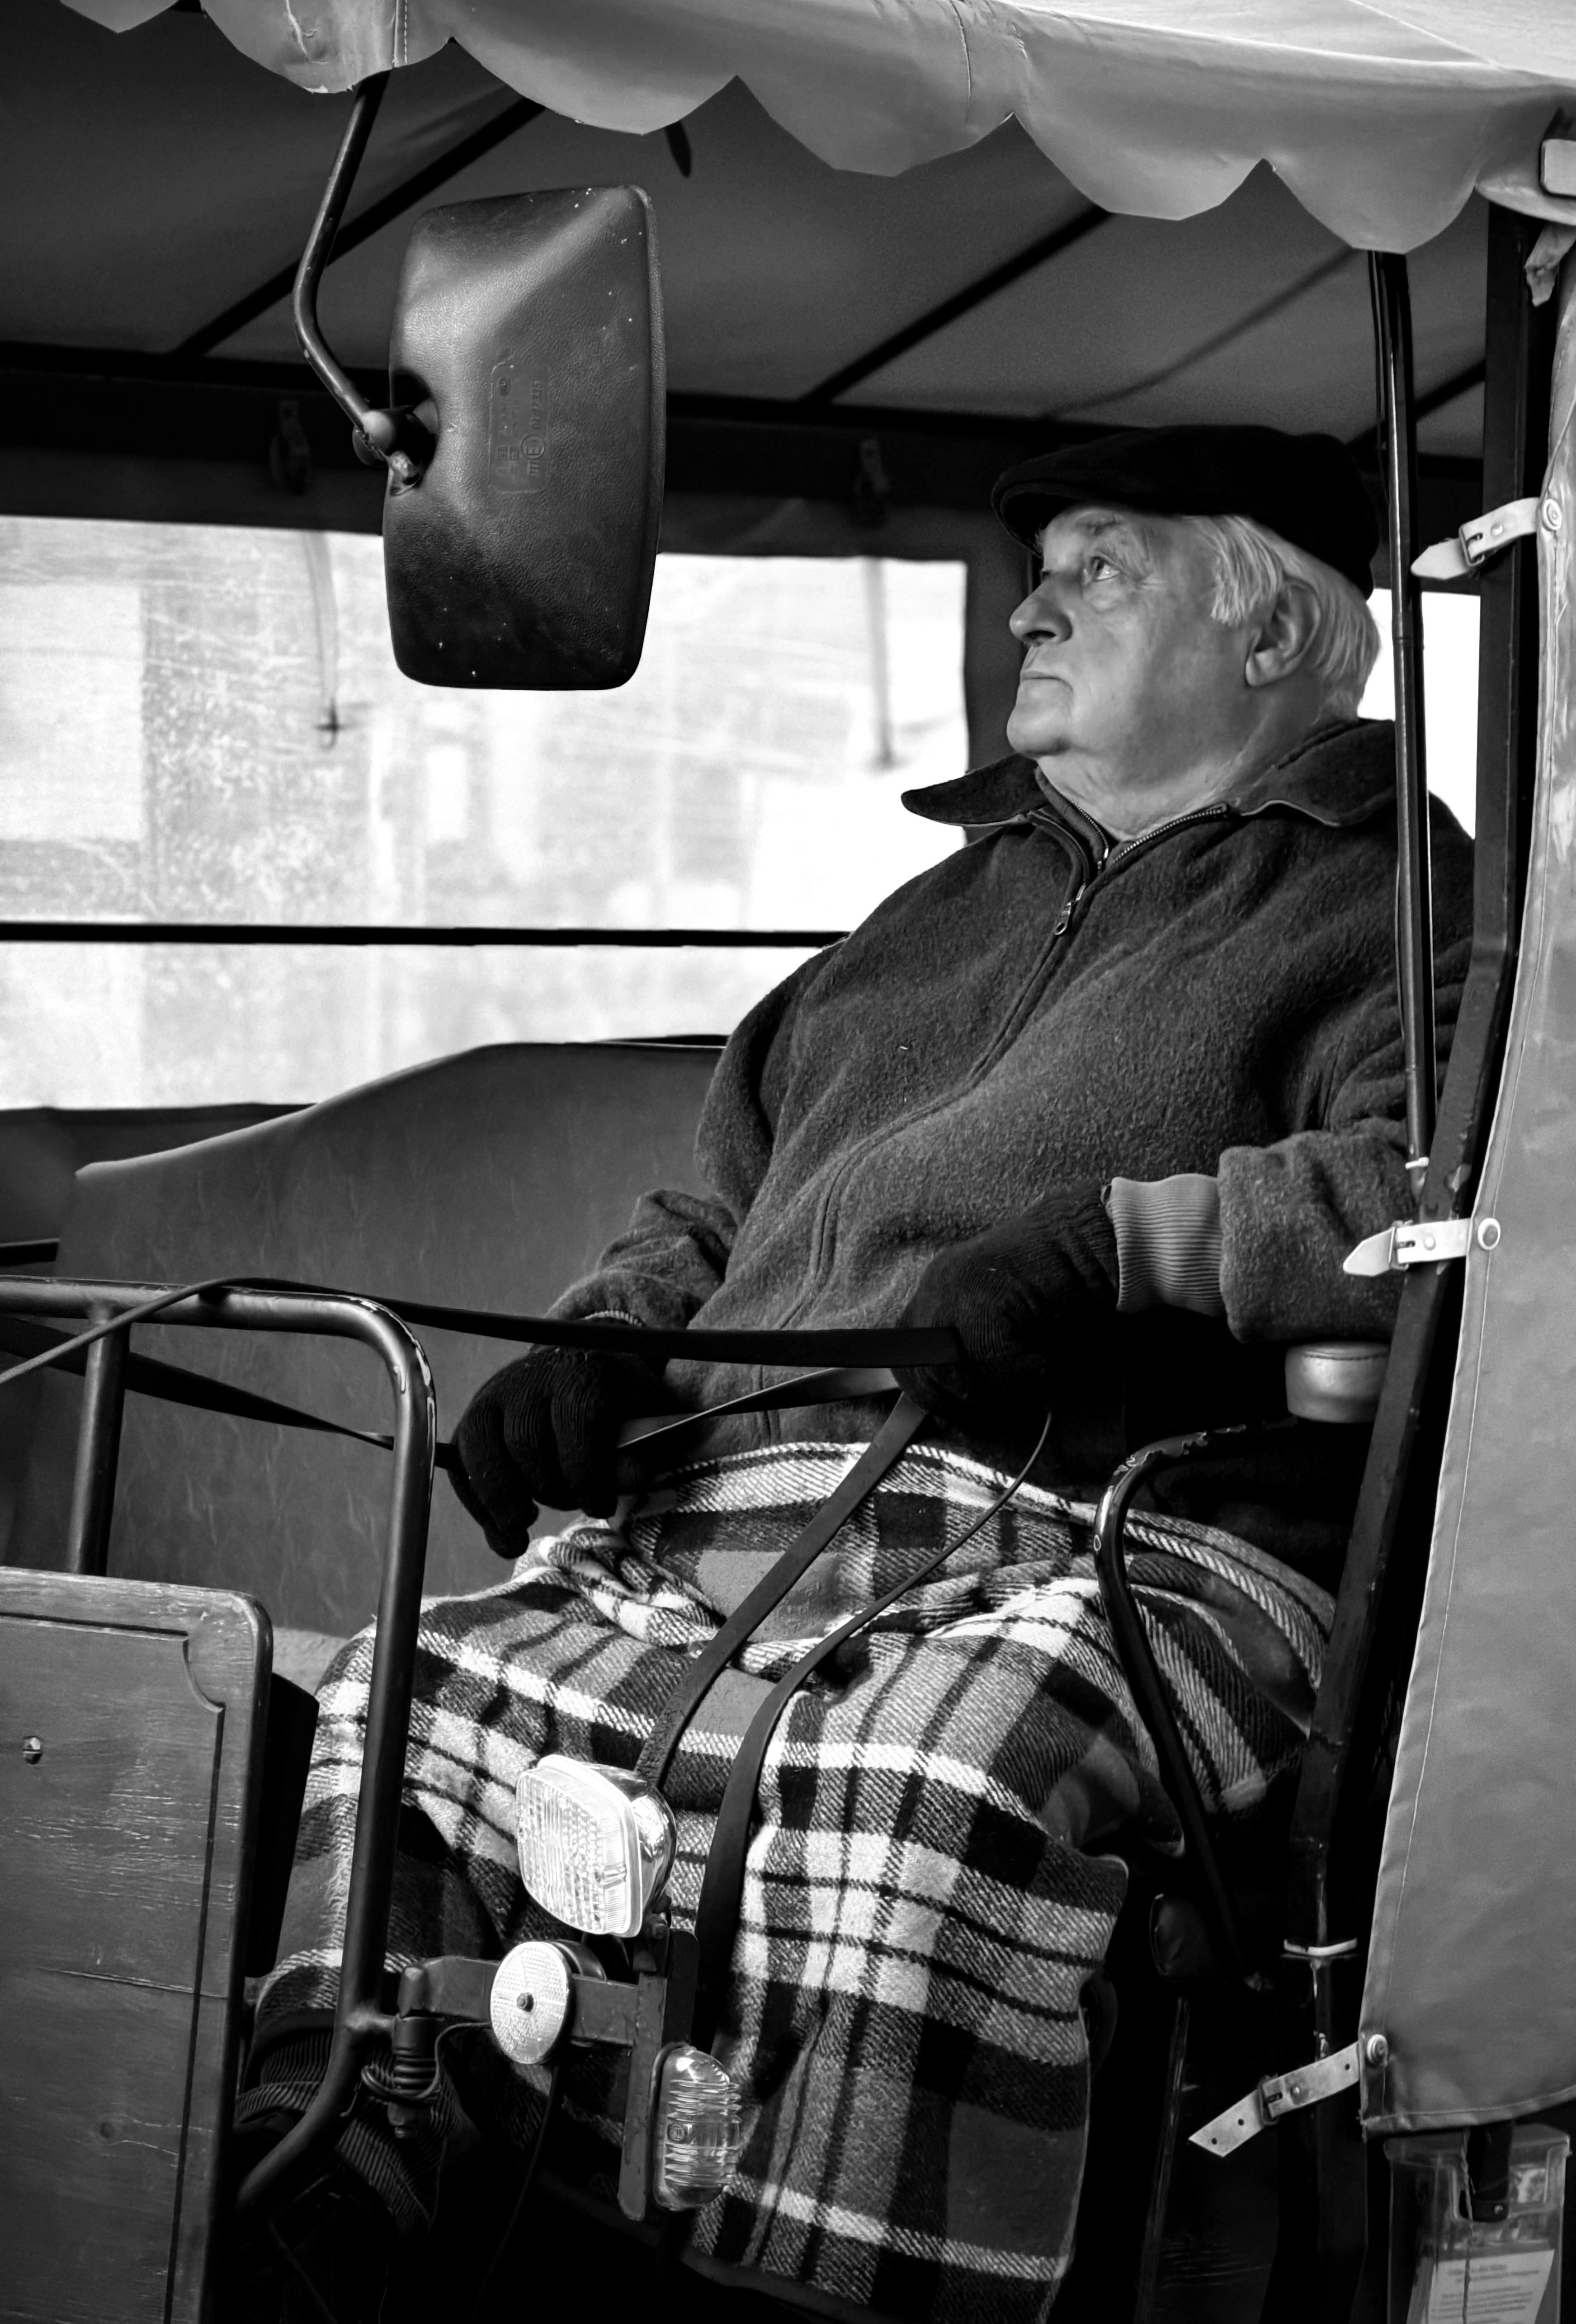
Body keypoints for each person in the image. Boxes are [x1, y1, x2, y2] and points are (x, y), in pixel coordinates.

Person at [235, 425, 1471, 2324]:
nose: (1036, 603)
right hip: (760, 1514)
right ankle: (346, 2198)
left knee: (917, 1781)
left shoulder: (1399, 902)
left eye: (1105, 564)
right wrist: (607, 1338)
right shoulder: (930, 915)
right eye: (1038, 563)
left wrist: (1118, 1246)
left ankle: (816, 2293)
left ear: (1274, 630)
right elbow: (716, 1193)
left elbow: (1425, 1196)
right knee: (404, 1693)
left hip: (1126, 1530)